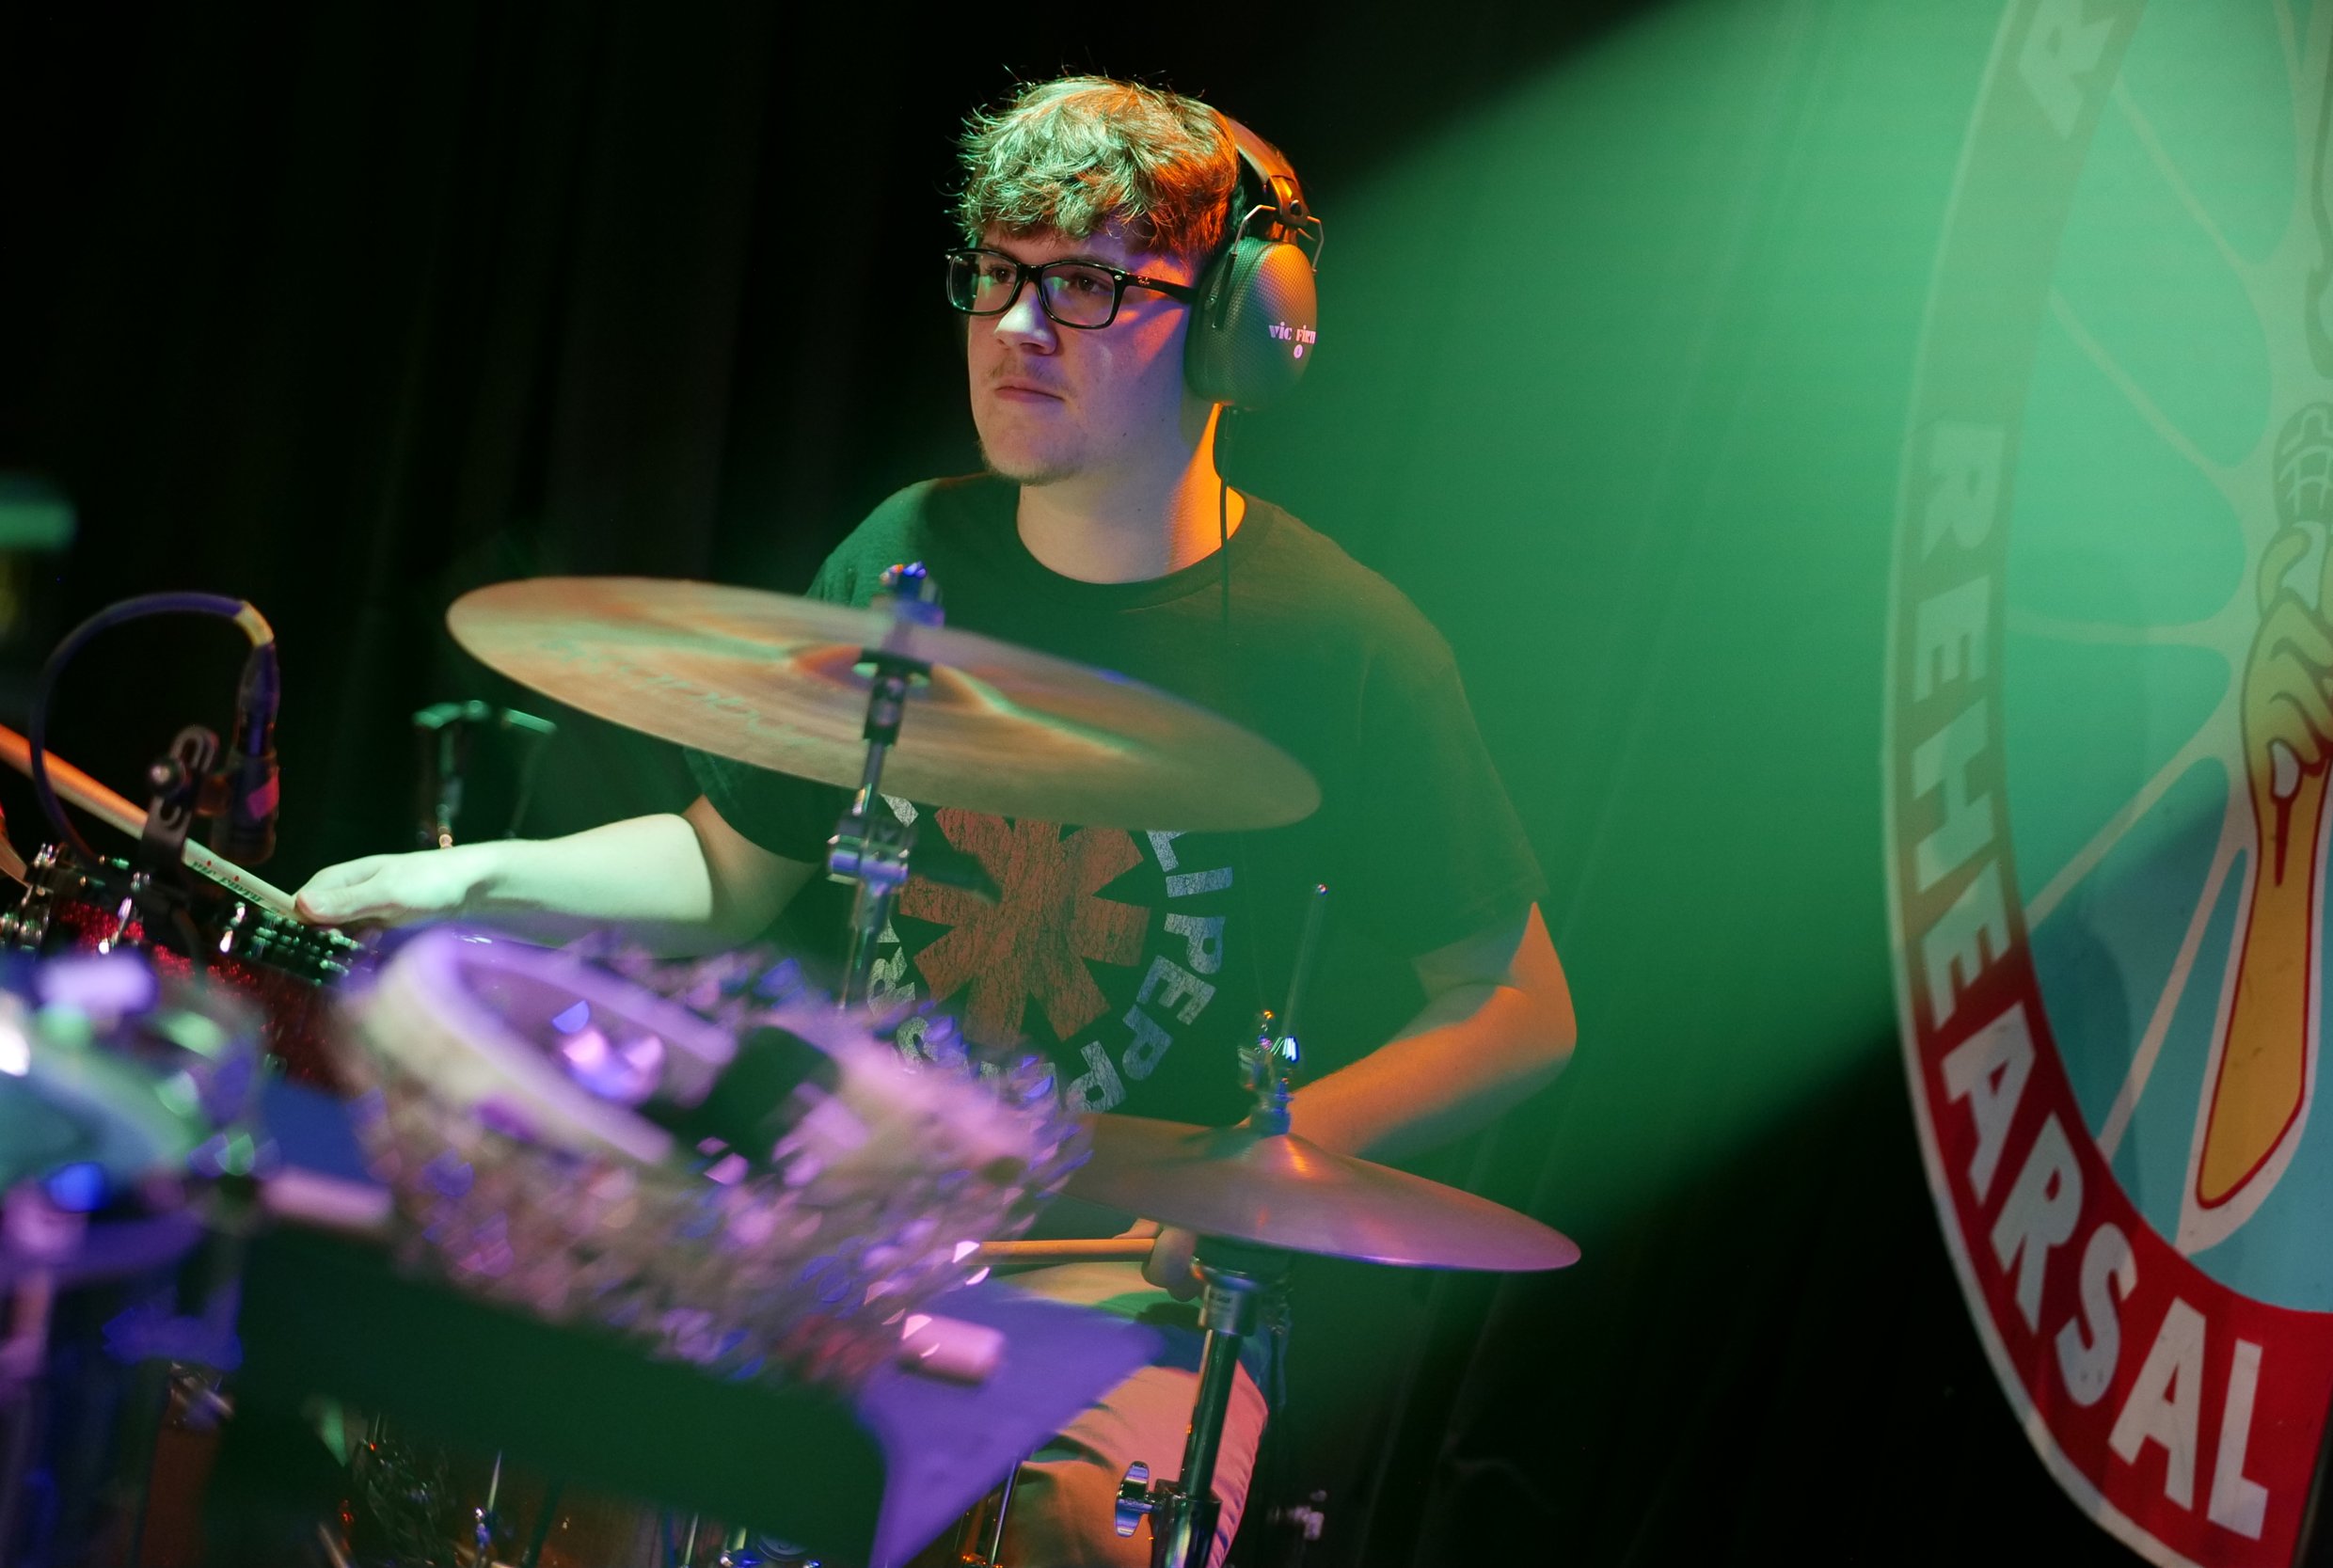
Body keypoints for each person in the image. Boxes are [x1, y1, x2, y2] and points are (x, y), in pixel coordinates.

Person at [297, 76, 1576, 1568]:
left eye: (1090, 284)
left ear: (1233, 331)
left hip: (1115, 1287)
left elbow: (1516, 1005)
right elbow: (728, 866)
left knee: (1076, 1544)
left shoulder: (1342, 649)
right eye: (1000, 273)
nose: (1019, 328)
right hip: (832, 1232)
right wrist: (464, 879)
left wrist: (1255, 1170)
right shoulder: (906, 553)